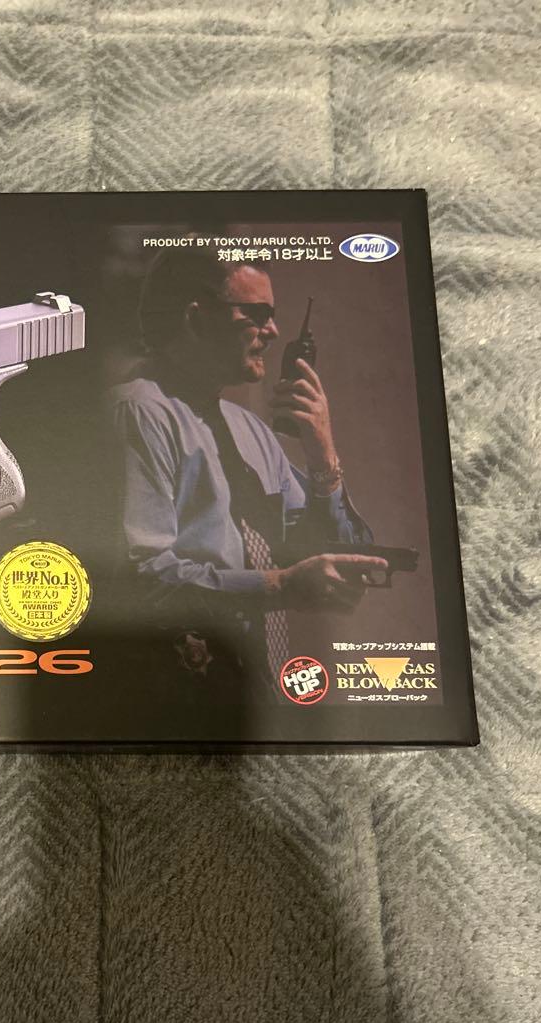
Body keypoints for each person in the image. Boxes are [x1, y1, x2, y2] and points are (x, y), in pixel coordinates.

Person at [110, 243, 387, 691]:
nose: (273, 331)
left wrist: (322, 454)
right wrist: (279, 586)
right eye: (257, 315)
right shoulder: (139, 414)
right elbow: (141, 575)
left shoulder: (251, 430)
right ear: (197, 318)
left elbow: (323, 550)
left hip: (260, 690)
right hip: (182, 695)